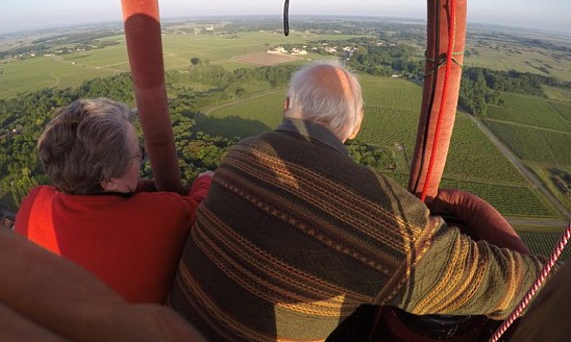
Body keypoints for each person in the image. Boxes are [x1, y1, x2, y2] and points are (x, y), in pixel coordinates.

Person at [168, 62, 546, 341]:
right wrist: (472, 207)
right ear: (357, 123)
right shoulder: (377, 216)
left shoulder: (239, 156)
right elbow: (521, 285)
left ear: (286, 105)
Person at [0, 206, 205, 342]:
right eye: (135, 156)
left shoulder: (36, 201)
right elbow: (194, 206)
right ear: (111, 177)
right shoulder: (162, 210)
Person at [14, 97, 212, 304]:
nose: (140, 161)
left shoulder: (34, 204)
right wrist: (205, 178)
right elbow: (203, 202)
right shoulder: (159, 216)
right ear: (108, 180)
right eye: (138, 156)